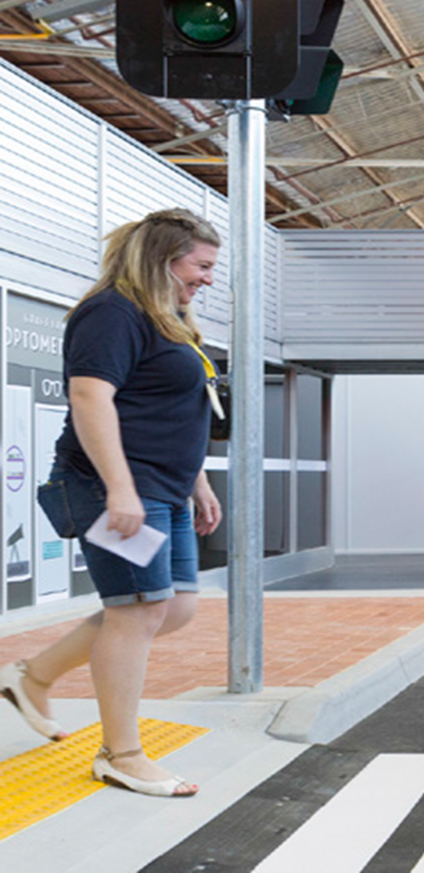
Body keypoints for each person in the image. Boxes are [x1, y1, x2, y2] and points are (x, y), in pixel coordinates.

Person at [0, 209, 223, 798]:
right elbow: (89, 397)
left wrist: (197, 480)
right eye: (200, 266)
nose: (206, 279)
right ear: (163, 257)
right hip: (115, 486)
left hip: (165, 488)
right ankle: (120, 754)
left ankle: (32, 676)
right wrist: (119, 487)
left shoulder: (168, 319)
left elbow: (171, 409)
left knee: (172, 609)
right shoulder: (112, 313)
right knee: (138, 610)